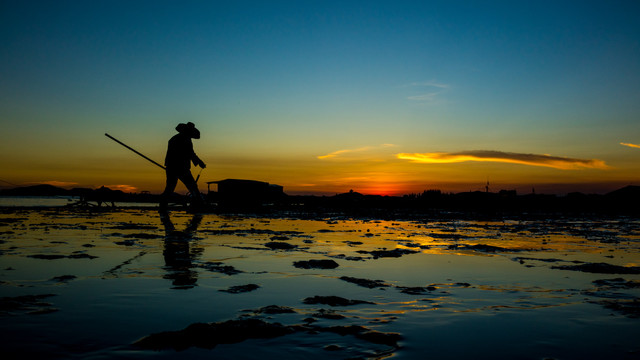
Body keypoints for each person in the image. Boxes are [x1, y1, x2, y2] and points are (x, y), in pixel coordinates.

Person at [160, 122, 206, 210]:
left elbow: (190, 153)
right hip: (181, 168)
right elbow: (190, 153)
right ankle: (200, 204)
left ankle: (163, 205)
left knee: (170, 187)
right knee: (192, 186)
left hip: (172, 167)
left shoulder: (174, 139)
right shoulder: (185, 140)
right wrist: (200, 162)